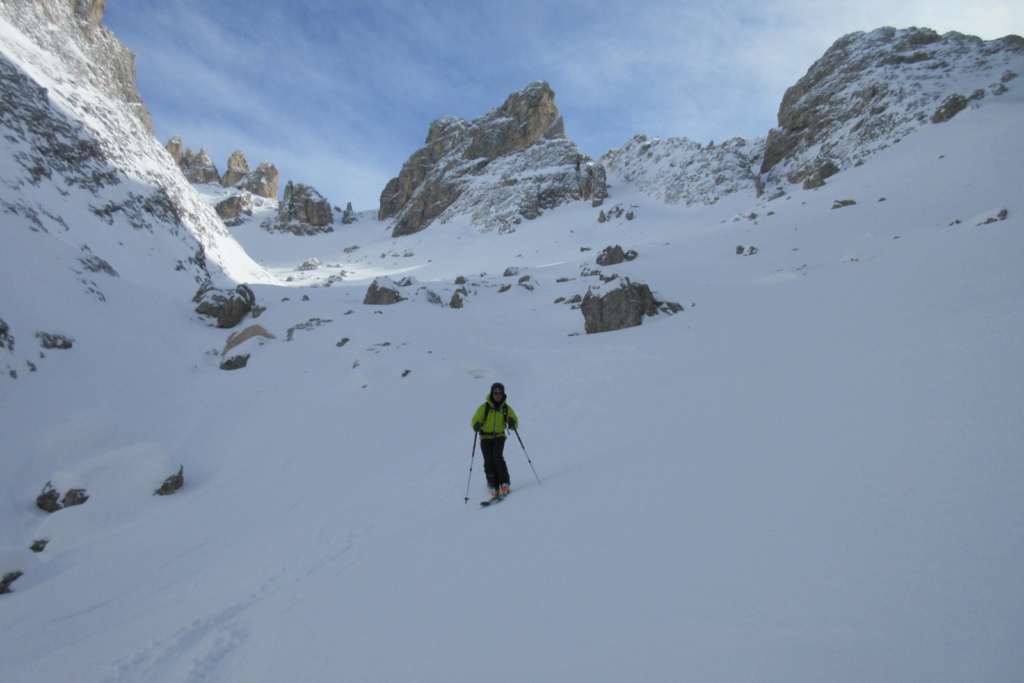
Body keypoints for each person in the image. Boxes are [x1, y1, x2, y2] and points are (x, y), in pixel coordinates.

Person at [472, 382, 519, 500]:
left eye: (500, 393)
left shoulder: (506, 409)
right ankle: (493, 485)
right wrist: (476, 425)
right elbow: (475, 420)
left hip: (499, 436)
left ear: (503, 394)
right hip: (485, 437)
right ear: (492, 393)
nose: (498, 395)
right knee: (488, 461)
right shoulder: (484, 408)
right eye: (496, 393)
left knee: (497, 457)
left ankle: (504, 483)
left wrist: (512, 423)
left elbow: (514, 424)